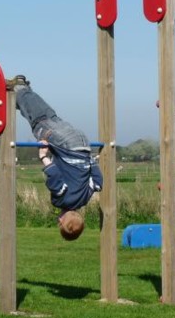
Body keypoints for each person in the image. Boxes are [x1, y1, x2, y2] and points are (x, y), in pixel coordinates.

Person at [7, 75, 103, 240]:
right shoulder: (61, 201)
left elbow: (98, 183)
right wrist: (44, 157)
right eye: (60, 222)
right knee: (39, 123)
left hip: (82, 144)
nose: (58, 219)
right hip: (66, 145)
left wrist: (91, 159)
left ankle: (23, 94)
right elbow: (56, 178)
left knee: (49, 118)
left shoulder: (84, 199)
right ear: (63, 219)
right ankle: (20, 89)